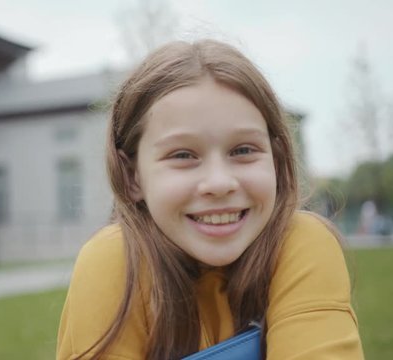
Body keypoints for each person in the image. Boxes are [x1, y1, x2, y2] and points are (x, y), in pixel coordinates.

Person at [57, 39, 364, 359]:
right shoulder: (114, 261)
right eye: (183, 155)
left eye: (243, 150)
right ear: (132, 176)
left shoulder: (301, 243)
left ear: (276, 158)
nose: (219, 183)